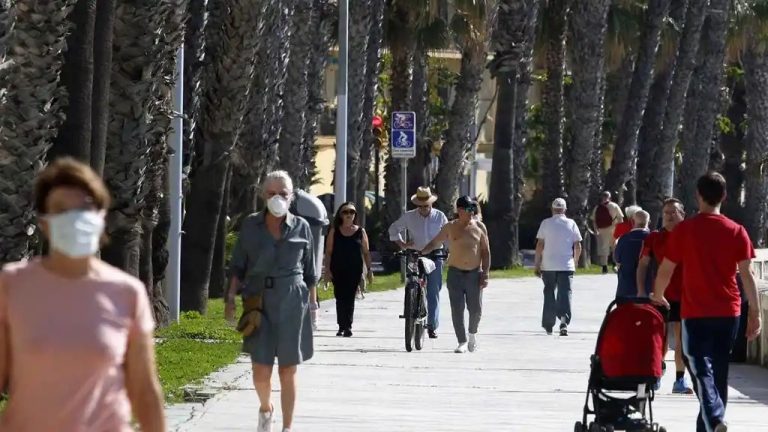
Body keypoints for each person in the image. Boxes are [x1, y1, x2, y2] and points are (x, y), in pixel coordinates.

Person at [0, 158, 165, 431]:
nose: (74, 218)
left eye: (84, 208)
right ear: (44, 224)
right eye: (62, 210)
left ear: (101, 216)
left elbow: (145, 391)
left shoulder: (126, 292)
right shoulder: (13, 286)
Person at [652, 172, 762, 432]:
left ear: (698, 196)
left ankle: (713, 418)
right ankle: (713, 424)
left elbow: (666, 268)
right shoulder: (737, 231)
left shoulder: (685, 230)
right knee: (719, 372)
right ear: (724, 196)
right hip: (729, 312)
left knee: (701, 368)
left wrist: (657, 294)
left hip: (696, 313)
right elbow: (748, 275)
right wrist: (755, 313)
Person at [225, 170, 317, 432]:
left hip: (292, 301)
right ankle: (266, 408)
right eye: (272, 193)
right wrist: (230, 297)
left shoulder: (302, 227)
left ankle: (287, 427)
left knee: (288, 369)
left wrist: (313, 307)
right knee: (260, 371)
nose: (277, 198)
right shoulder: (251, 226)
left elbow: (310, 272)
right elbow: (238, 267)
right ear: (263, 195)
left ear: (292, 198)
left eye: (283, 194)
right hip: (259, 303)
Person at [637, 198, 693, 394]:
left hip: (684, 296)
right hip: (659, 296)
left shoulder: (690, 237)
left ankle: (679, 380)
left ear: (682, 215)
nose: (669, 216)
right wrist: (641, 290)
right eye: (666, 212)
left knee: (681, 340)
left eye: (674, 212)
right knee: (658, 339)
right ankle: (657, 372)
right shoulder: (653, 238)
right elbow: (643, 264)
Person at [422, 196, 490, 353]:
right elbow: (434, 243)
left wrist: (485, 273)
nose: (471, 213)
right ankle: (462, 341)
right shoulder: (450, 227)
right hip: (455, 273)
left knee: (475, 309)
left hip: (474, 274)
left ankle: (472, 334)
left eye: (473, 209)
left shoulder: (480, 227)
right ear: (459, 210)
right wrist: (421, 252)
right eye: (468, 210)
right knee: (457, 309)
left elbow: (486, 252)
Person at [388, 186, 448, 338]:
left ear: (431, 204)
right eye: (420, 206)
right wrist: (402, 244)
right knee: (413, 283)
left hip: (435, 256)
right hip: (414, 254)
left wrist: (448, 252)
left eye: (426, 206)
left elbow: (448, 236)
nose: (423, 209)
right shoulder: (409, 216)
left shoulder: (440, 217)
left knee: (433, 291)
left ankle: (432, 325)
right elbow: (393, 229)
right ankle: (411, 310)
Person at [534, 198, 583, 336]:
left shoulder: (546, 223)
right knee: (565, 292)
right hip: (566, 265)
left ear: (552, 209)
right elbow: (578, 245)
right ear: (565, 210)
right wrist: (576, 260)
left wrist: (537, 264)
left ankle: (549, 324)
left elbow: (540, 245)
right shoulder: (571, 223)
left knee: (549, 292)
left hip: (548, 265)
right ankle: (563, 321)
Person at [324, 202, 373, 337]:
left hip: (354, 269)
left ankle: (348, 326)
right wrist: (327, 270)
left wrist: (369, 270)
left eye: (352, 212)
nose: (349, 215)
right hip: (337, 268)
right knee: (340, 297)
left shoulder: (360, 231)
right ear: (340, 215)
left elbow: (366, 252)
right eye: (345, 212)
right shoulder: (334, 230)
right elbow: (328, 252)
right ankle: (341, 326)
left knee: (350, 297)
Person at [614, 210, 651, 299]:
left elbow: (617, 259)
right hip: (648, 288)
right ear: (649, 222)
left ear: (632, 222)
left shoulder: (624, 239)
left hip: (626, 288)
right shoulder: (653, 238)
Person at [590, 191, 624, 274]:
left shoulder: (597, 207)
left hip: (602, 230)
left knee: (603, 248)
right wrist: (621, 229)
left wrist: (596, 229)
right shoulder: (614, 206)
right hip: (614, 228)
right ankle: (614, 264)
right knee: (614, 247)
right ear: (610, 197)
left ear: (602, 197)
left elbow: (594, 220)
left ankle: (604, 267)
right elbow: (620, 218)